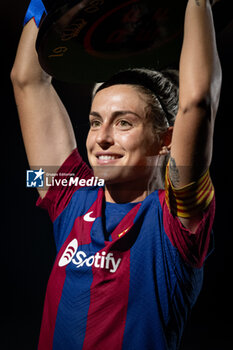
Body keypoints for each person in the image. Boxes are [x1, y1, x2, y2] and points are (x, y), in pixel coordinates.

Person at [10, 0, 222, 349]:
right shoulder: (71, 191)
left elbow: (197, 101)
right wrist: (42, 4)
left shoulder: (177, 218)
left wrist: (196, 3)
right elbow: (27, 80)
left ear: (165, 139)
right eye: (95, 123)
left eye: (124, 122)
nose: (102, 138)